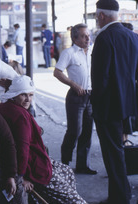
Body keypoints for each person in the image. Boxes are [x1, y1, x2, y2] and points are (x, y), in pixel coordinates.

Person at [0, 75, 87, 204]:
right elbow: (22, 149)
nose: (28, 99)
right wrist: (22, 177)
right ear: (14, 94)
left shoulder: (4, 106)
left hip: (31, 160)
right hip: (32, 168)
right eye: (23, 95)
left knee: (67, 171)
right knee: (74, 200)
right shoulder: (20, 116)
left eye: (31, 95)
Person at [91, 0, 138, 203]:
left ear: (102, 16)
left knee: (113, 153)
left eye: (95, 16)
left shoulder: (104, 38)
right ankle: (122, 193)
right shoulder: (133, 37)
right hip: (127, 102)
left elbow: (100, 78)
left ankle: (119, 197)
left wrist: (94, 102)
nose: (96, 19)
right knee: (118, 150)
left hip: (107, 106)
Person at [53, 23, 97, 175]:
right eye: (84, 36)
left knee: (87, 132)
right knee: (74, 131)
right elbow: (57, 72)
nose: (88, 38)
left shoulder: (92, 51)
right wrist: (73, 84)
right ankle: (65, 164)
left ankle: (82, 165)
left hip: (91, 96)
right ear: (75, 38)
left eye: (88, 35)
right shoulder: (69, 53)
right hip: (76, 96)